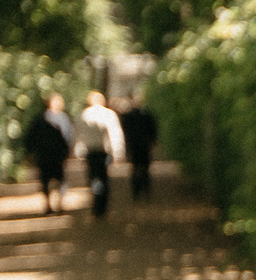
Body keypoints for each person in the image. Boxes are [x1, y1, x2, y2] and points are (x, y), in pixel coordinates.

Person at [75, 89, 126, 220]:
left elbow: (78, 136)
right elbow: (115, 134)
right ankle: (102, 204)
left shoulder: (83, 115)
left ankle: (96, 201)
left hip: (90, 151)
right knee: (103, 176)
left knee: (93, 176)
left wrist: (78, 151)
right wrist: (118, 151)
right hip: (103, 152)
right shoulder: (109, 114)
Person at [23, 93, 74, 215]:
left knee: (59, 179)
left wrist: (67, 151)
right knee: (46, 180)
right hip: (45, 154)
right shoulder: (40, 120)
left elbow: (69, 135)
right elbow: (31, 137)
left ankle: (59, 202)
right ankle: (48, 204)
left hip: (56, 154)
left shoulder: (62, 118)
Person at [119, 98, 159, 200]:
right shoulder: (147, 115)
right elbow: (153, 131)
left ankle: (136, 192)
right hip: (145, 145)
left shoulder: (127, 117)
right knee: (145, 168)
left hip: (133, 146)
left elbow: (124, 132)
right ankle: (146, 191)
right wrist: (153, 143)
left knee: (135, 168)